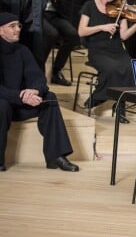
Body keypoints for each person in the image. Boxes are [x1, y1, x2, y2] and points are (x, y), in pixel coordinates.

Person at [0, 11, 79, 172]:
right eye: (12, 26)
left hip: (22, 101)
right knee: (1, 106)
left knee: (49, 98)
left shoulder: (22, 50)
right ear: (0, 30)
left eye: (19, 25)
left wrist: (34, 90)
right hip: (6, 103)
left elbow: (38, 77)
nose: (17, 29)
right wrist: (20, 96)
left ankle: (56, 157)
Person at [77, 0, 136, 111]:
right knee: (112, 69)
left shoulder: (119, 7)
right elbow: (81, 31)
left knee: (130, 68)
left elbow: (124, 36)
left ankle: (120, 104)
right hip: (97, 50)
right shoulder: (89, 6)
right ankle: (98, 97)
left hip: (116, 49)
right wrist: (101, 27)